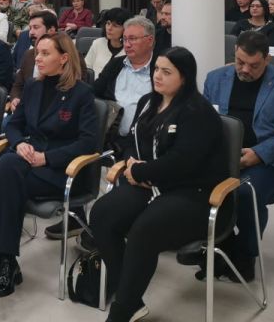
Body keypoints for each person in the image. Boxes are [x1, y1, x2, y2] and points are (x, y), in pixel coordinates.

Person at [90, 47, 225, 322]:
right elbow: (133, 141)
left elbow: (184, 162)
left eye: (167, 72)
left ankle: (122, 311)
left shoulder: (197, 112)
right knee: (102, 214)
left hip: (193, 192)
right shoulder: (148, 102)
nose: (157, 76)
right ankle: (131, 297)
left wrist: (140, 171)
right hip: (149, 184)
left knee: (144, 229)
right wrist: (131, 165)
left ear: (184, 77)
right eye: (156, 70)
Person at [0, 33, 98, 304]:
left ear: (64, 58)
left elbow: (88, 142)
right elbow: (14, 125)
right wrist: (20, 143)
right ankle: (4, 263)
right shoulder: (34, 87)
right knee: (5, 169)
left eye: (46, 53)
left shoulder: (81, 93)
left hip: (61, 171)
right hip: (26, 162)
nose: (38, 58)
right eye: (37, 53)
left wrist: (47, 158)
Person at [203, 31, 274, 282]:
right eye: (240, 62)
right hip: (224, 158)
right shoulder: (216, 78)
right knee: (192, 183)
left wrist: (260, 154)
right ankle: (219, 247)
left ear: (267, 59)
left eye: (254, 65)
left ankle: (245, 256)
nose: (245, 70)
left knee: (244, 193)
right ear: (235, 54)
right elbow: (204, 120)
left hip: (271, 162)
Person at [93, 16, 156, 159]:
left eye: (132, 39)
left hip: (145, 142)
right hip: (112, 139)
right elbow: (94, 91)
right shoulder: (116, 65)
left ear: (150, 40)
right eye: (125, 39)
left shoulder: (160, 67)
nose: (127, 45)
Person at [8, 9, 59, 112]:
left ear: (51, 30)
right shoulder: (28, 54)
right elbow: (18, 85)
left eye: (36, 27)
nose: (31, 32)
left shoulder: (68, 55)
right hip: (25, 110)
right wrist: (15, 98)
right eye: (30, 28)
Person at [85, 7, 129, 75]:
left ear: (125, 29)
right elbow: (86, 68)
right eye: (108, 23)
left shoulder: (130, 49)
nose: (109, 28)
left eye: (115, 25)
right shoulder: (98, 43)